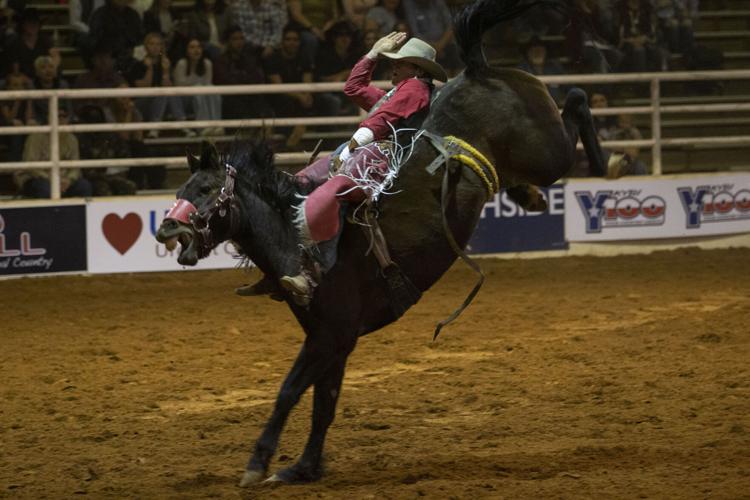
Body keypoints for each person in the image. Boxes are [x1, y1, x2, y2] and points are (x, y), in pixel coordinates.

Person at [239, 32, 447, 304]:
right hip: (366, 153)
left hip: (379, 158)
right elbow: (355, 88)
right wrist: (372, 54)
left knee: (325, 192)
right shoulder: (398, 94)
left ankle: (310, 272)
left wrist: (353, 145)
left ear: (417, 69)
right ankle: (285, 266)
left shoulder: (416, 89)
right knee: (300, 184)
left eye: (401, 62)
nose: (393, 65)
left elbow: (383, 119)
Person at [14, 107, 93, 199]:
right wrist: (53, 179)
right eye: (57, 116)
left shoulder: (72, 139)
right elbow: (31, 166)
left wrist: (69, 180)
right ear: (49, 118)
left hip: (64, 180)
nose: (61, 119)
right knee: (44, 188)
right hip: (39, 177)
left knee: (84, 186)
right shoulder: (35, 137)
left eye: (64, 116)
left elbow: (75, 167)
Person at [213, 25, 268, 123]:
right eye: (235, 39)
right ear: (227, 41)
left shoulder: (250, 58)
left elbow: (257, 78)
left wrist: (240, 78)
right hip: (231, 100)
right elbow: (224, 82)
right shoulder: (221, 60)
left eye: (241, 38)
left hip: (250, 96)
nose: (239, 42)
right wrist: (244, 78)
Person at [173, 38, 222, 135]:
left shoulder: (207, 63)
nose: (196, 50)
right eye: (192, 47)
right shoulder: (182, 63)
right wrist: (195, 86)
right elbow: (179, 85)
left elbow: (208, 83)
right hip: (185, 99)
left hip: (202, 95)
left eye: (199, 47)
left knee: (213, 90)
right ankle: (202, 127)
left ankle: (216, 125)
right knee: (199, 92)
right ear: (186, 50)